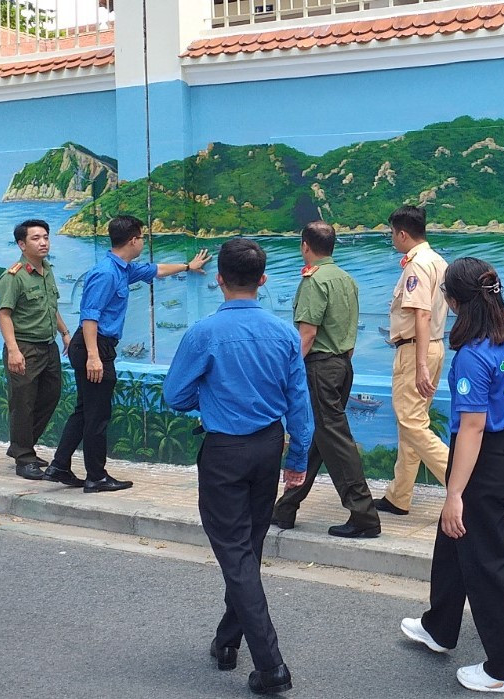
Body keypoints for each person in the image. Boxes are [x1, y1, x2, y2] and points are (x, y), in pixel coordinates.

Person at [163, 238, 314, 696]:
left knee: (235, 551)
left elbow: (174, 395)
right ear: (263, 280)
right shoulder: (285, 333)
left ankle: (271, 666)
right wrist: (299, 457)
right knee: (247, 546)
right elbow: (298, 403)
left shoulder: (203, 333)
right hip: (269, 447)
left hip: (225, 450)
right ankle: (227, 641)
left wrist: (205, 398)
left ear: (219, 279)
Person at [400, 257, 504, 694]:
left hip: (485, 458)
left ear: (456, 302)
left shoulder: (473, 357)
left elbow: (473, 427)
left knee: (489, 563)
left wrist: (454, 492)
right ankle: (439, 627)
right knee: (452, 539)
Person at [43, 215, 211, 492]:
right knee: (98, 416)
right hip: (93, 346)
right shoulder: (106, 273)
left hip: (95, 345)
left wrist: (187, 266)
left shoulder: (122, 269)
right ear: (133, 240)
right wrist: (94, 357)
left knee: (85, 411)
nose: (143, 242)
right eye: (142, 237)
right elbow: (89, 317)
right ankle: (95, 477)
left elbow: (154, 270)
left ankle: (59, 466)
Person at [271, 221, 381, 538]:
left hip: (319, 367)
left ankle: (364, 515)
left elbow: (306, 335)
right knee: (319, 441)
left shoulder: (314, 281)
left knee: (335, 442)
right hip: (342, 366)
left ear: (306, 245)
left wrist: (286, 373)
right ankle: (285, 509)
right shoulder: (346, 280)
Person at [374, 205, 450, 516]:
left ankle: (464, 483)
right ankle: (399, 495)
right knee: (412, 423)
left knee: (412, 423)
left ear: (403, 234)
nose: (392, 239)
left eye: (393, 234)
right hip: (432, 346)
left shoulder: (417, 266)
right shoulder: (438, 261)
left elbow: (421, 313)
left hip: (415, 350)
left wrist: (418, 365)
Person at [0, 219, 73, 481]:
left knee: (50, 397)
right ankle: (24, 457)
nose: (43, 242)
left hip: (48, 346)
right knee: (23, 404)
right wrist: (14, 351)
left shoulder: (47, 270)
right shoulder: (14, 276)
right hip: (25, 348)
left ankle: (22, 446)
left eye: (46, 237)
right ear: (21, 244)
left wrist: (64, 333)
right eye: (36, 238)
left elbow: (51, 306)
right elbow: (4, 315)